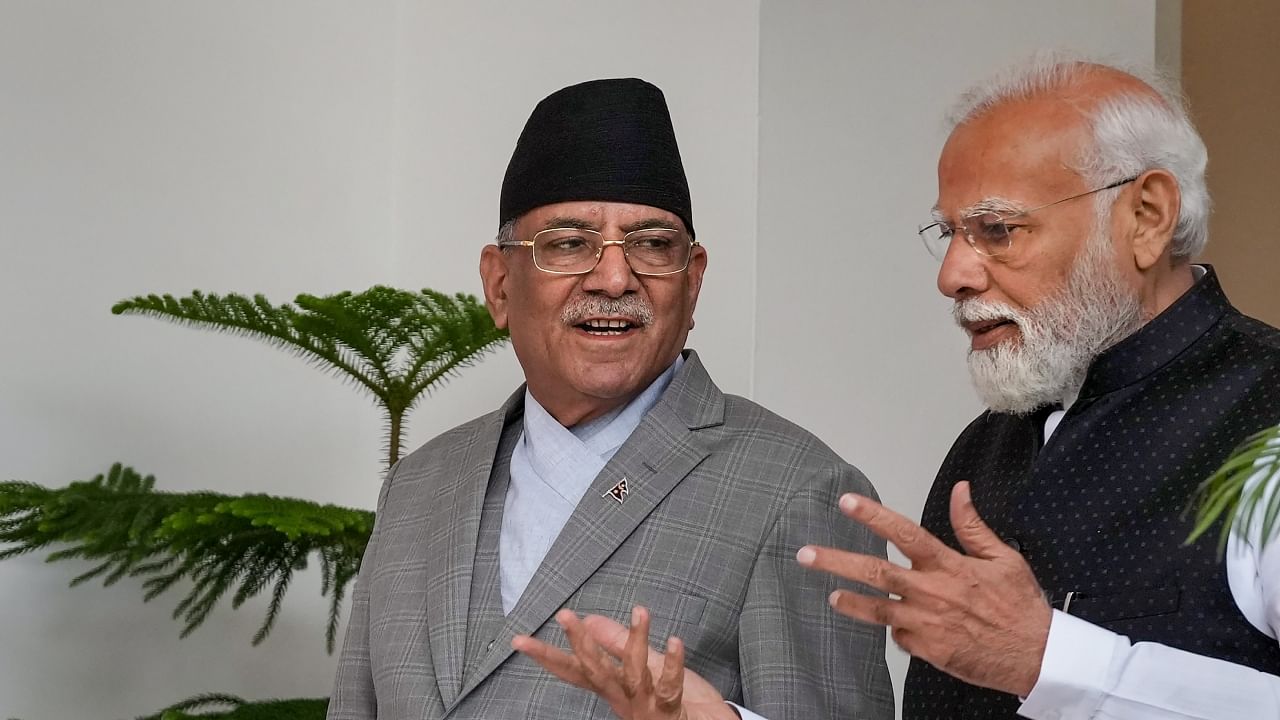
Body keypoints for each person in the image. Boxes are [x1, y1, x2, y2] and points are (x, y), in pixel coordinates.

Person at [516, 56, 1280, 720]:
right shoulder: (989, 448)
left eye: (998, 231)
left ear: (1146, 216)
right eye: (950, 233)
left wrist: (1052, 660)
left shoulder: (1266, 417)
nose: (953, 274)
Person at [325, 77, 894, 720]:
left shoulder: (798, 490)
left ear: (694, 281)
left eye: (653, 245)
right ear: (499, 285)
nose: (616, 277)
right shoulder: (420, 486)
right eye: (569, 243)